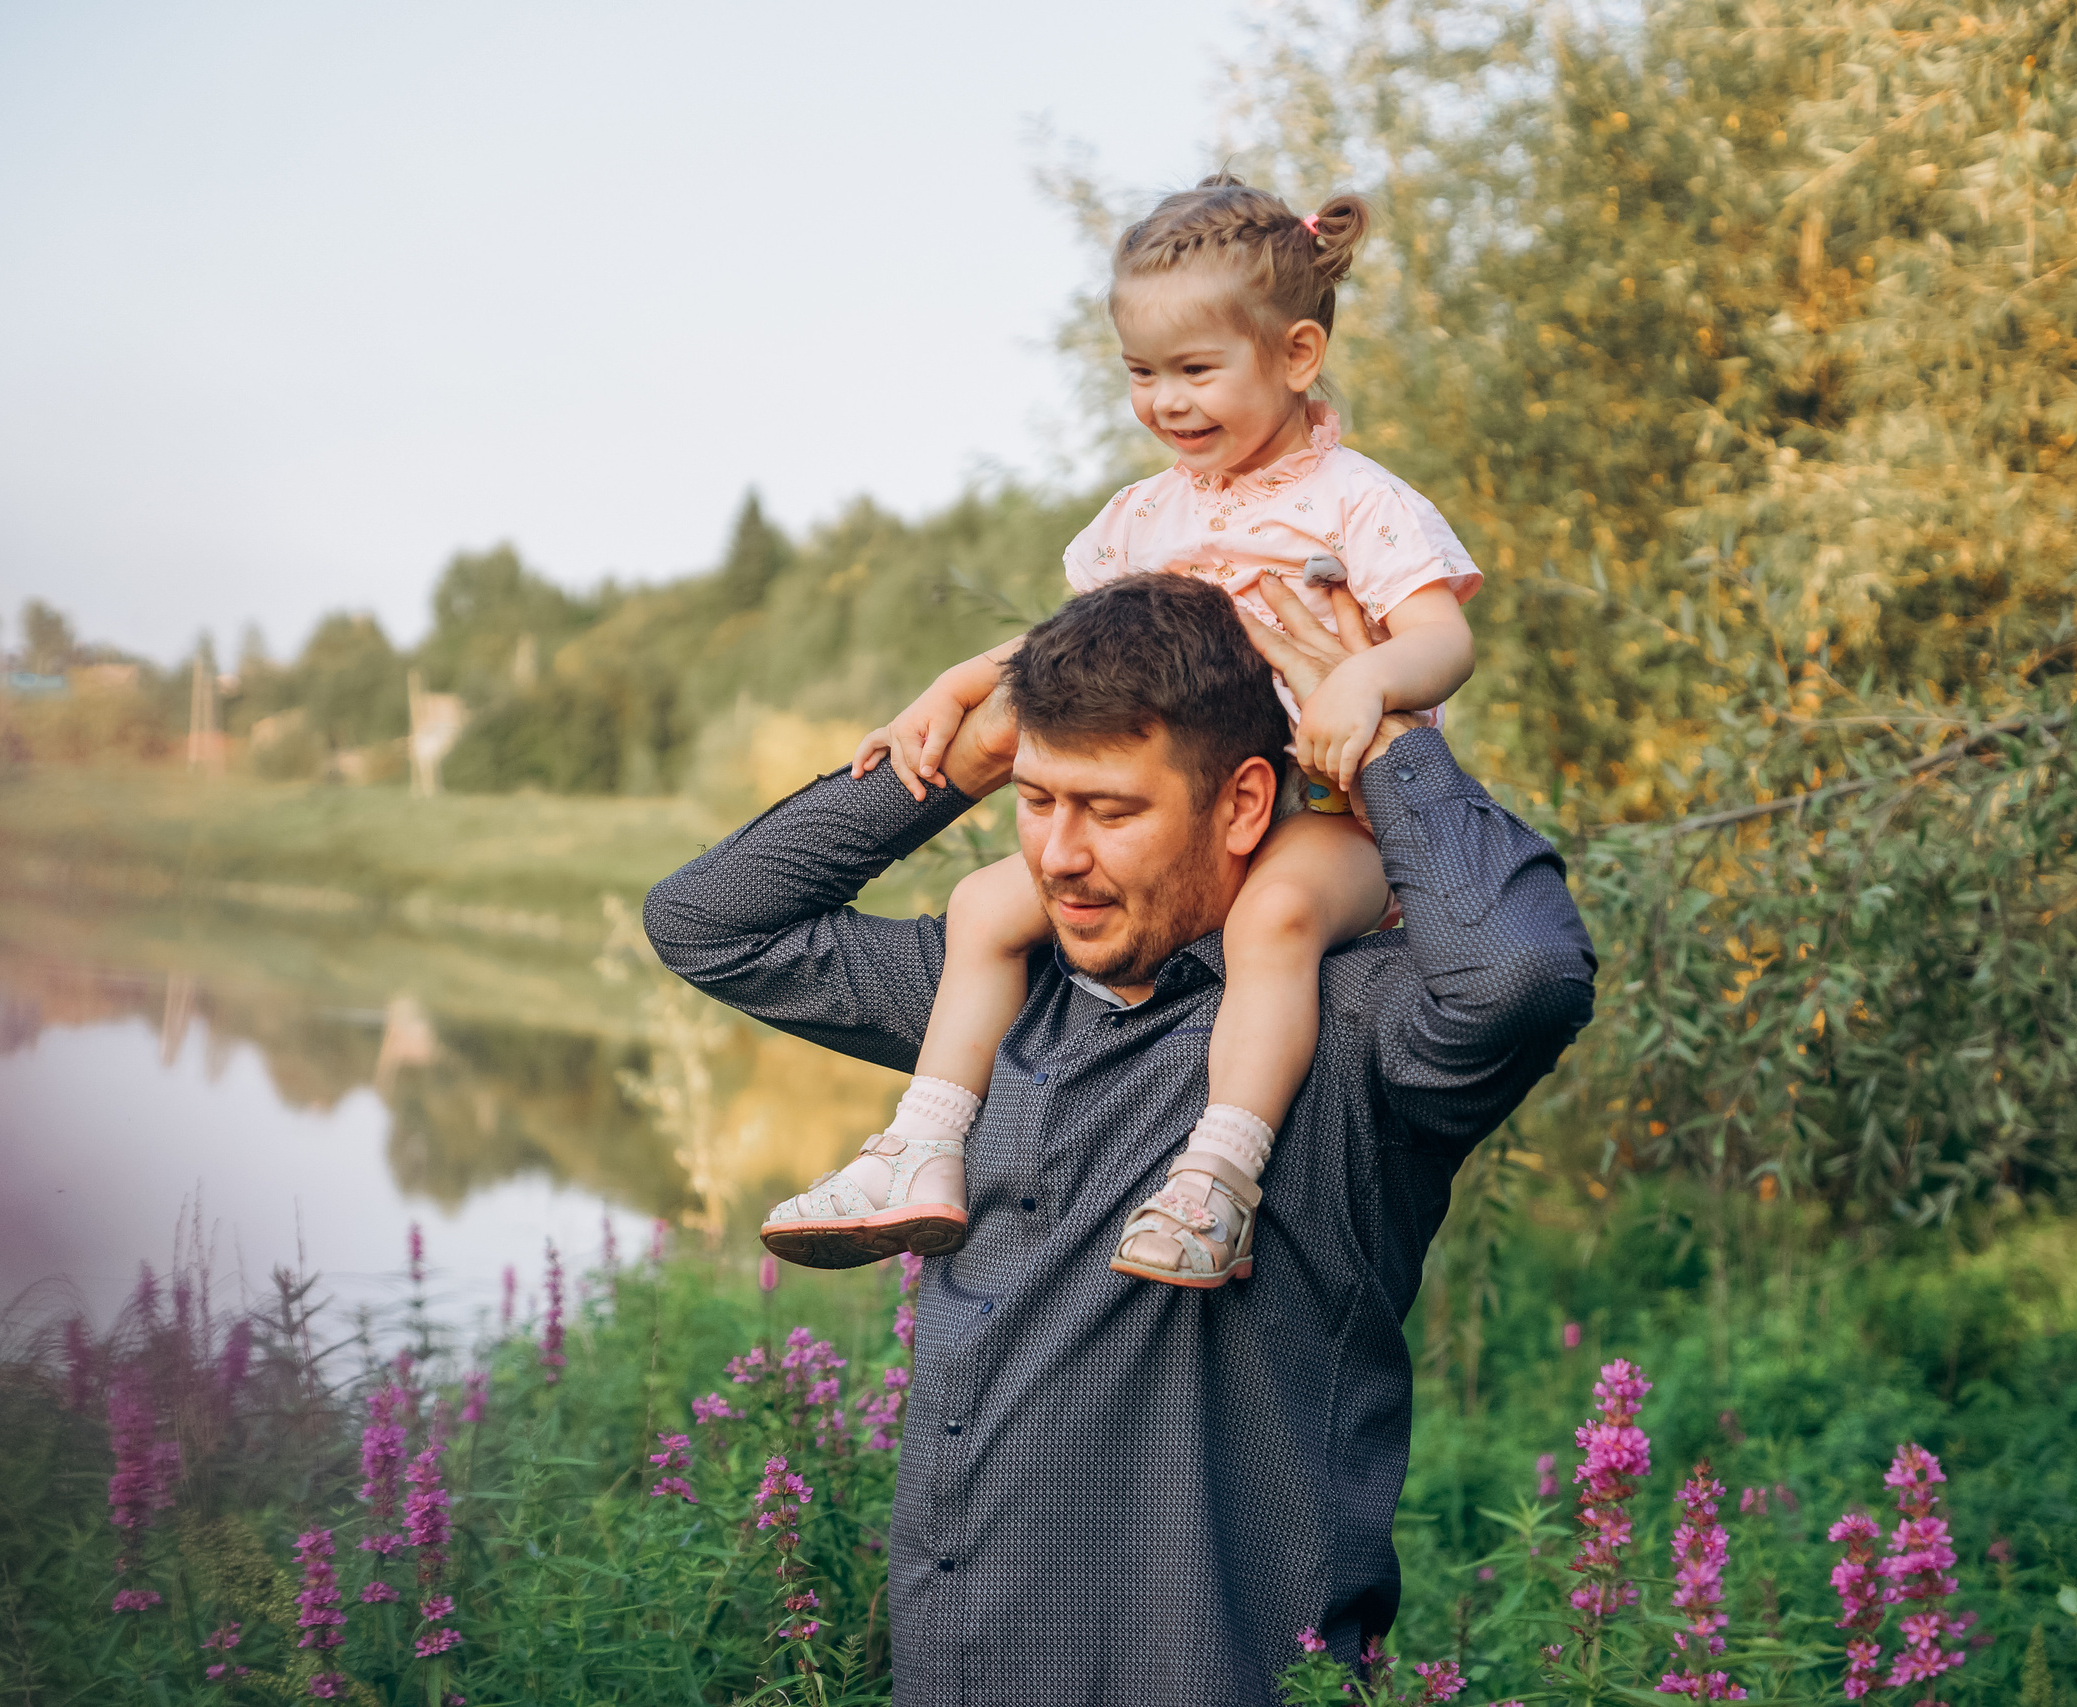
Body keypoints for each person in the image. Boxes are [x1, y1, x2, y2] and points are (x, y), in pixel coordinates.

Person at [644, 571, 1595, 1703]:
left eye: (1110, 809)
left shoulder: (1351, 1035)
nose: (1056, 855)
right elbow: (709, 924)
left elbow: (1523, 975)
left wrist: (1381, 745)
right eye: (1038, 801)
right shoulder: (991, 999)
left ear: (1244, 805)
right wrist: (962, 757)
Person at [758, 175, 1484, 1287]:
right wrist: (954, 687)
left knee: (1276, 920)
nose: (1167, 402)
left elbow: (1443, 640)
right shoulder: (1146, 517)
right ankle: (923, 1145)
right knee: (985, 903)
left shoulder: (1357, 501)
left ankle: (1217, 1184)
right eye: (1143, 373)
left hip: (1326, 819)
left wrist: (1369, 679)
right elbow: (1076, 651)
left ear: (1295, 357)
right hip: (1185, 828)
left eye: (1198, 371)